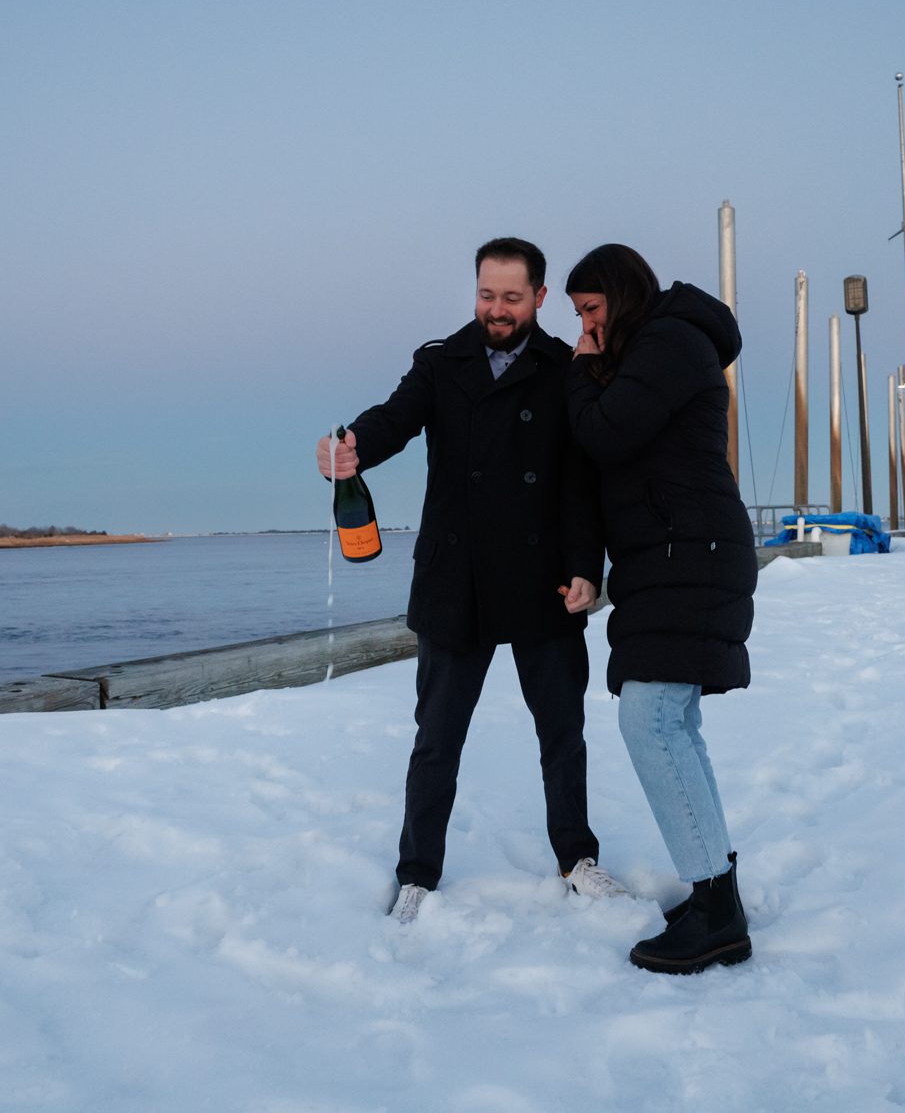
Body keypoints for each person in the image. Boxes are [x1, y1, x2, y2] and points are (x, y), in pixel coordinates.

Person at [316, 237, 624, 923]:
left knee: (562, 733)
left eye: (512, 298)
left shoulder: (562, 368)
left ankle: (577, 860)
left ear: (540, 298)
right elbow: (393, 419)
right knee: (437, 739)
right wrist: (351, 447)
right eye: (486, 295)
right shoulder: (440, 363)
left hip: (544, 578)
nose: (497, 310)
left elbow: (580, 481)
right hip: (456, 579)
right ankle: (417, 872)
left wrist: (586, 566)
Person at [562, 243, 756, 975]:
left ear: (621, 294)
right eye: (577, 316)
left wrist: (580, 368)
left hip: (692, 556)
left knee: (648, 717)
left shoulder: (671, 341)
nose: (586, 327)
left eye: (591, 310)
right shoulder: (660, 344)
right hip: (674, 557)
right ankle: (717, 888)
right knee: (672, 719)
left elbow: (605, 432)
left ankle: (716, 912)